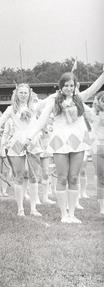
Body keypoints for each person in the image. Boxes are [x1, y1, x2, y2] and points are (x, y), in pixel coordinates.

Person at [27, 69, 104, 223]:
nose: (69, 88)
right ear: (61, 86)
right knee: (62, 178)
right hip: (59, 142)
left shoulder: (79, 99)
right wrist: (30, 136)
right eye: (66, 85)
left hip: (78, 142)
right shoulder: (54, 101)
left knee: (74, 177)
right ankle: (64, 214)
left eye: (72, 85)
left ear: (75, 86)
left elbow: (94, 88)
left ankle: (72, 214)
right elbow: (41, 120)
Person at [0, 84, 43, 217]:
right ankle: (20, 209)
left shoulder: (35, 107)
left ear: (29, 94)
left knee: (33, 176)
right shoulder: (11, 109)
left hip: (32, 142)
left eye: (25, 93)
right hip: (17, 142)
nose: (23, 95)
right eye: (21, 92)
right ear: (16, 94)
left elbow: (42, 121)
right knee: (19, 176)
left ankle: (33, 208)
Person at [88, 91, 104, 214]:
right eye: (102, 100)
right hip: (98, 147)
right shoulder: (93, 113)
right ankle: (102, 207)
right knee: (101, 177)